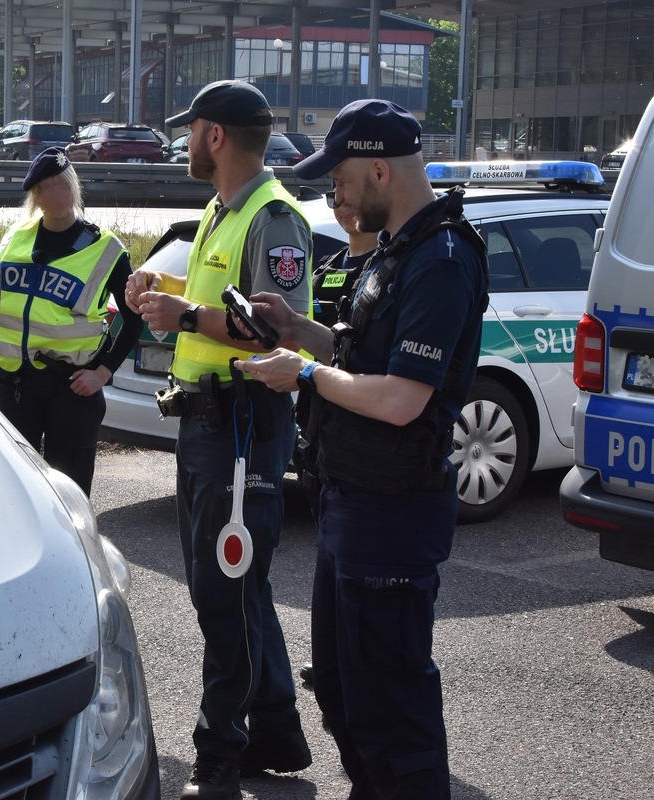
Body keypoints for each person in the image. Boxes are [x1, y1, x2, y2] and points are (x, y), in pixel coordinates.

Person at [236, 99, 489, 799]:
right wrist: (298, 332)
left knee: (392, 714)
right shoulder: (397, 252)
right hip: (350, 504)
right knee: (346, 694)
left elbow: (403, 399)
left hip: (392, 513)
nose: (335, 196)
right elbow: (361, 355)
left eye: (341, 180)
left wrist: (308, 374)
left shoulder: (439, 260)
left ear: (379, 167)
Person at [124, 79, 313, 800]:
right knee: (240, 589)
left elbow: (278, 330)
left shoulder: (272, 218)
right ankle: (277, 730)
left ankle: (218, 756)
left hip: (243, 425)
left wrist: (185, 317)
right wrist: (163, 293)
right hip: (210, 422)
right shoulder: (221, 211)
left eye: (189, 129)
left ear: (215, 137)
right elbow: (215, 305)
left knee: (224, 591)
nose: (182, 142)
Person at [0, 147, 144, 496]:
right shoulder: (15, 238)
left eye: (62, 182)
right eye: (46, 186)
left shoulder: (106, 250)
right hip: (15, 384)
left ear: (74, 187)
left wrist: (103, 372)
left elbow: (133, 321)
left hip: (71, 387)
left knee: (70, 494)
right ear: (35, 196)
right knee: (13, 491)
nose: (56, 191)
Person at [295, 201, 379, 689]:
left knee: (355, 568)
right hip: (319, 426)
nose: (343, 204)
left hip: (360, 428)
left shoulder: (384, 272)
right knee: (326, 555)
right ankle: (328, 657)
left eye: (349, 193)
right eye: (334, 197)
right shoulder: (326, 270)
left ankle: (349, 665)